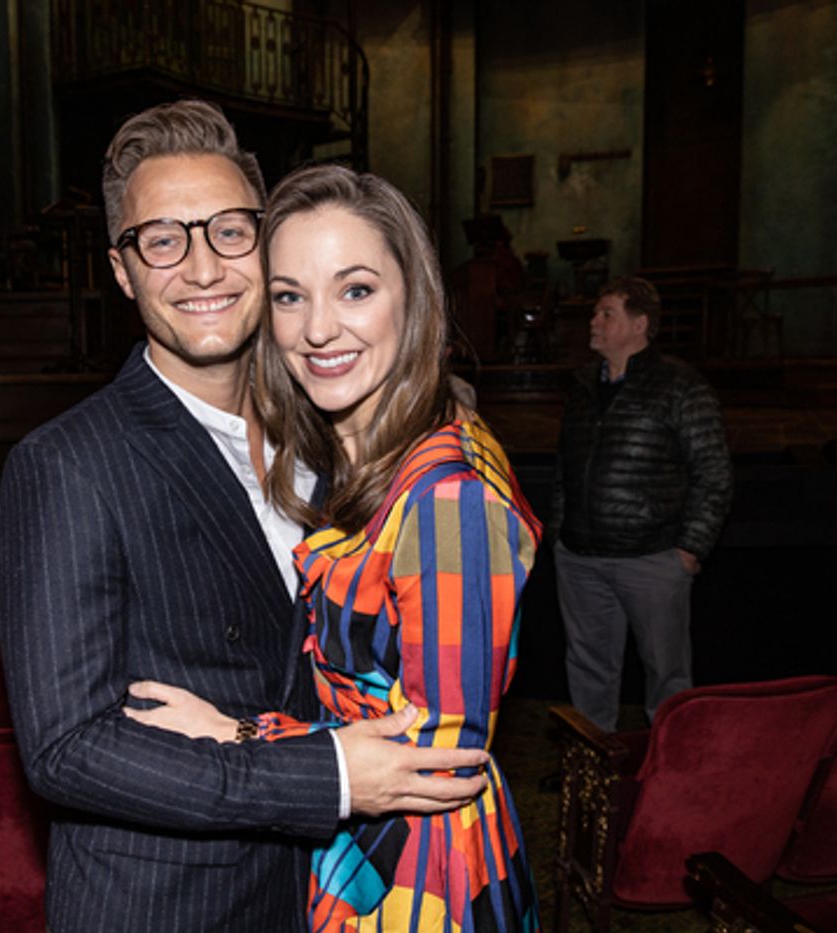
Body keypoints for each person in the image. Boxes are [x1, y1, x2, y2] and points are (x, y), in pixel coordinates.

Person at [0, 101, 489, 933]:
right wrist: (323, 774)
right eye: (162, 239)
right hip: (167, 905)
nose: (201, 267)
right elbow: (66, 748)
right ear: (123, 271)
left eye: (228, 230)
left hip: (322, 890)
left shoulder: (333, 434)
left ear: (265, 245)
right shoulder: (67, 463)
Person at [125, 164, 544, 931]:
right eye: (290, 295)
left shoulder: (448, 496)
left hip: (417, 873)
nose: (318, 328)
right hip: (354, 837)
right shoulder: (359, 457)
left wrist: (235, 734)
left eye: (355, 289)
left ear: (412, 299)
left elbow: (438, 752)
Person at [550, 276, 733, 731]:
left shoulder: (680, 386)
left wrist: (690, 548)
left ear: (640, 324)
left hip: (652, 559)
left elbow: (714, 472)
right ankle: (591, 769)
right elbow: (564, 469)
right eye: (596, 313)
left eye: (606, 313)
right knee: (589, 668)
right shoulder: (583, 386)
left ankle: (672, 766)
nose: (594, 321)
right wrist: (559, 533)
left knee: (666, 673)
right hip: (581, 559)